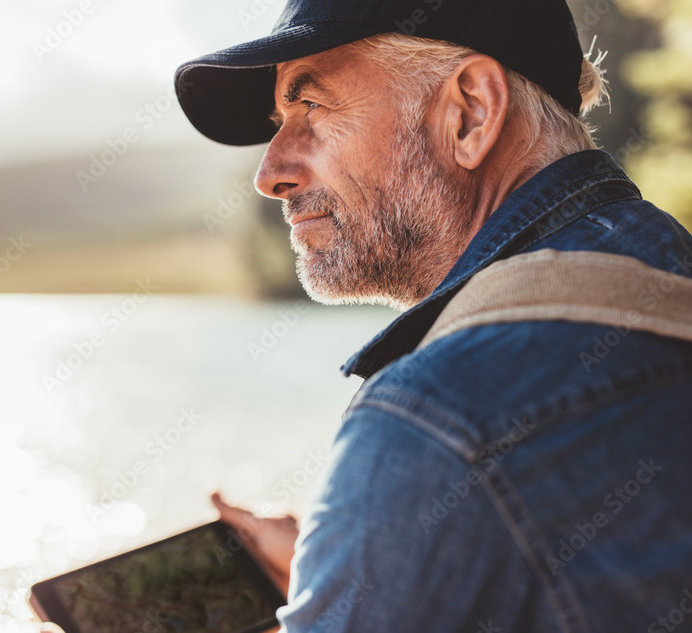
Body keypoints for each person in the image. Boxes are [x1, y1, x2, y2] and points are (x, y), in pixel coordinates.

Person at [175, 0, 692, 631]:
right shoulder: (668, 265)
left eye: (310, 106)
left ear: (470, 111)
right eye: (279, 119)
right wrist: (366, 560)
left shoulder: (435, 421)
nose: (269, 172)